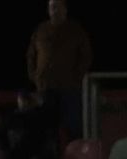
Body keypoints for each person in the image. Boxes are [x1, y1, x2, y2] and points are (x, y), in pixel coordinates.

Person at [26, 0, 91, 139]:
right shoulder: (41, 29)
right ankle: (51, 157)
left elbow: (86, 56)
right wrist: (34, 75)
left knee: (73, 126)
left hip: (69, 87)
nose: (54, 11)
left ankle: (76, 157)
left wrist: (77, 76)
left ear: (65, 10)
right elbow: (31, 54)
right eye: (51, 7)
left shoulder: (75, 30)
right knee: (46, 127)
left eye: (57, 7)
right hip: (45, 86)